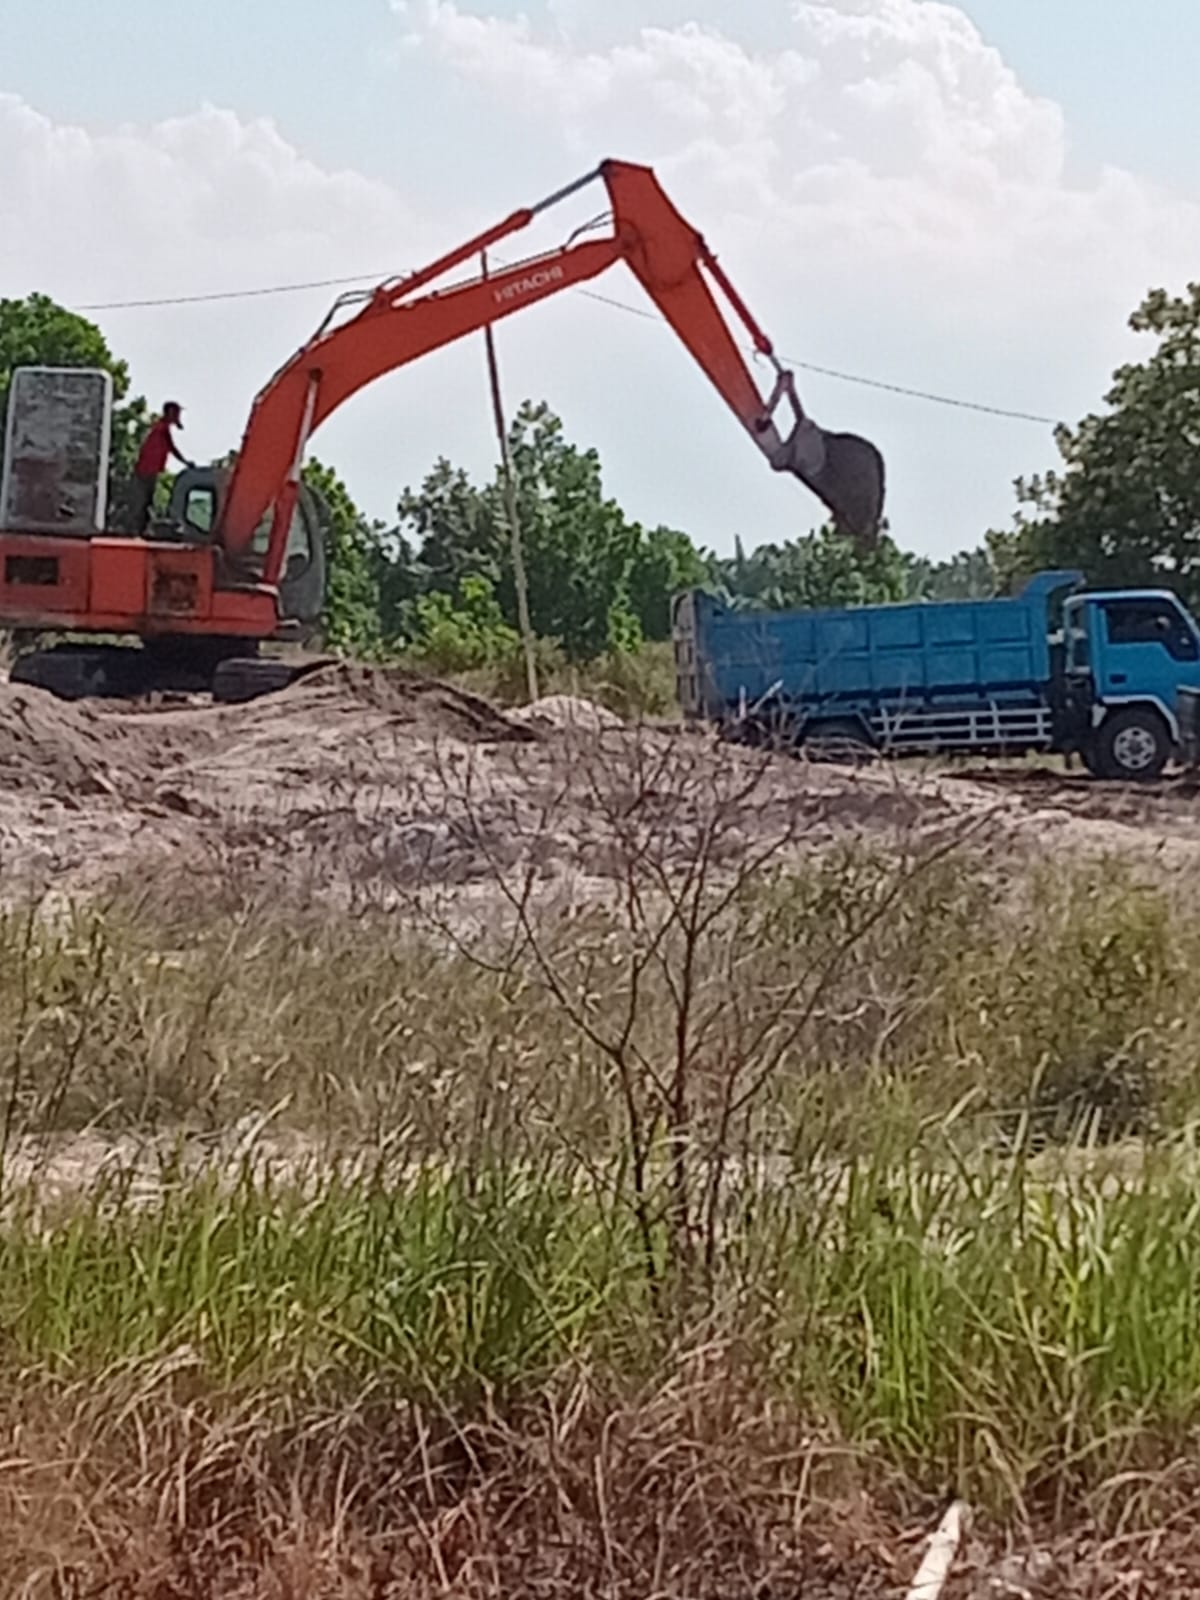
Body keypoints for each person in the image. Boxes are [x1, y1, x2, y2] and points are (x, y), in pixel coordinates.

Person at [130, 402, 193, 533]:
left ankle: (142, 529)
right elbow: (172, 448)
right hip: (145, 471)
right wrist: (186, 462)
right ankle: (139, 531)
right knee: (142, 505)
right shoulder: (161, 429)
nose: (177, 416)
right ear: (169, 412)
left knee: (146, 503)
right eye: (176, 413)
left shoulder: (160, 428)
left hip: (149, 471)